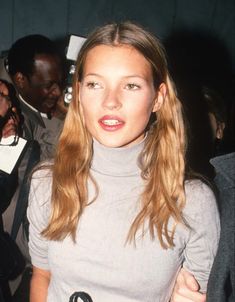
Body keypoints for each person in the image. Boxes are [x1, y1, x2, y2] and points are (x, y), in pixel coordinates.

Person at [27, 22, 220, 302]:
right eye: (95, 84)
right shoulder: (47, 183)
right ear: (79, 94)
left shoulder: (192, 201)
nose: (110, 101)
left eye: (130, 85)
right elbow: (42, 275)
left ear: (158, 98)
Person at [1, 35, 66, 299]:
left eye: (60, 84)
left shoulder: (27, 106)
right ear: (20, 80)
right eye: (49, 86)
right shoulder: (12, 119)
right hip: (16, 251)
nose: (57, 93)